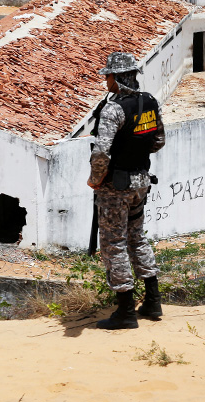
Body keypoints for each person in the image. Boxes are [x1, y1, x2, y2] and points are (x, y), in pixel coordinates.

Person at [87, 52, 166, 330]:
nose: (105, 80)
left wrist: (95, 179)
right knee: (136, 237)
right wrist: (135, 151)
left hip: (115, 188)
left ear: (118, 78)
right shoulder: (150, 102)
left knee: (114, 243)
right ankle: (153, 301)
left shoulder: (114, 108)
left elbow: (101, 152)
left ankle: (125, 312)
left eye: (108, 75)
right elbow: (158, 141)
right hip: (141, 181)